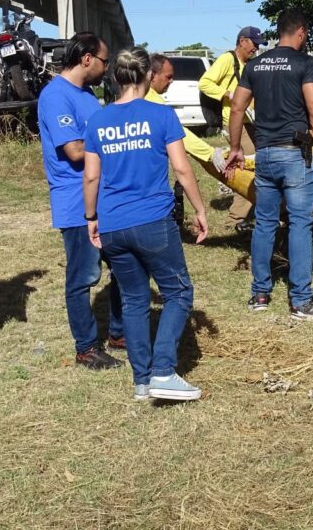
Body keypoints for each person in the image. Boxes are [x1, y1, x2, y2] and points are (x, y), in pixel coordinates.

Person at [84, 48, 208, 401]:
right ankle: (163, 371)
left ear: (116, 77)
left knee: (134, 300)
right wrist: (200, 209)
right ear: (146, 77)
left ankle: (142, 381)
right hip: (153, 220)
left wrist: (91, 218)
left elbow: (91, 177)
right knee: (178, 293)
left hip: (112, 223)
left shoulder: (98, 121)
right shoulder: (161, 115)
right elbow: (181, 168)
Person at [224, 9, 313, 320]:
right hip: (294, 154)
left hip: (264, 154)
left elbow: (237, 107)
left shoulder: (255, 65)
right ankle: (301, 301)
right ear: (301, 32)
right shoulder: (305, 63)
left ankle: (260, 294)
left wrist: (235, 148)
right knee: (300, 224)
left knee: (264, 223)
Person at [37, 32, 124, 370]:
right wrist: (113, 145)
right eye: (104, 61)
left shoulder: (87, 94)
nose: (107, 67)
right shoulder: (56, 96)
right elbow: (74, 150)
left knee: (123, 266)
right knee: (83, 275)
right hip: (75, 201)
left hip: (104, 197)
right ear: (87, 58)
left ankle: (118, 333)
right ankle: (86, 348)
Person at [198, 26, 262, 230]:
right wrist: (228, 94)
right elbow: (204, 83)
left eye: (258, 44)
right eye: (254, 43)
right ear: (242, 41)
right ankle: (235, 220)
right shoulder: (227, 59)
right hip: (233, 122)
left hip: (249, 122)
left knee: (252, 165)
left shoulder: (248, 64)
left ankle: (249, 214)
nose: (256, 48)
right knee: (249, 168)